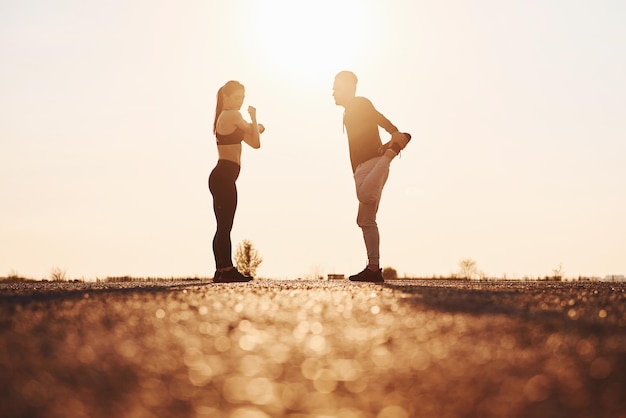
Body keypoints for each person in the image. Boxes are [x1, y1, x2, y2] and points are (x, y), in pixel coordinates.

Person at [332, 71, 411, 283]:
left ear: (349, 87)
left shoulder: (359, 103)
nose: (332, 93)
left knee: (364, 196)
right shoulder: (350, 109)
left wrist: (394, 133)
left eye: (336, 88)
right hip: (366, 168)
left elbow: (378, 117)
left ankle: (390, 153)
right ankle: (373, 268)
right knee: (365, 219)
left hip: (373, 163)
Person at [209, 80, 265, 283]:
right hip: (223, 176)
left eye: (242, 98)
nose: (240, 102)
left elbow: (256, 143)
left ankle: (220, 270)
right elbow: (255, 133)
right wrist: (254, 122)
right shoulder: (232, 115)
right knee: (225, 225)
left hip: (223, 177)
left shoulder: (230, 118)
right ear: (226, 97)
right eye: (236, 97)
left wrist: (254, 124)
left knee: (223, 225)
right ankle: (226, 269)